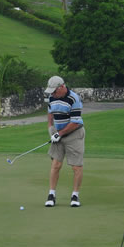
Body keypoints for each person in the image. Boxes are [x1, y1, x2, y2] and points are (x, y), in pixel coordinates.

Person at [44, 76, 85, 207]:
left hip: (74, 134)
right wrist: (51, 128)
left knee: (76, 166)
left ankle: (75, 196)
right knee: (56, 164)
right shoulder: (51, 97)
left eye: (55, 91)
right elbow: (50, 112)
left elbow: (75, 122)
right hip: (58, 133)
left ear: (62, 87)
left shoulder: (74, 99)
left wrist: (60, 134)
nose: (53, 94)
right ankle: (51, 195)